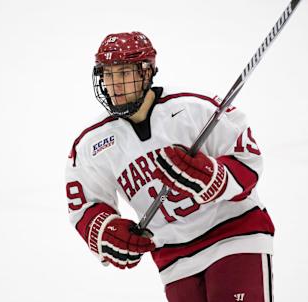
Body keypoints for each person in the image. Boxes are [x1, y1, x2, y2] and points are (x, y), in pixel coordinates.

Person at [65, 31, 275, 302]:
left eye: (123, 73)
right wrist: (107, 232)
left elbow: (249, 161)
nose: (114, 84)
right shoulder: (92, 144)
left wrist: (214, 176)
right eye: (107, 74)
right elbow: (84, 205)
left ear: (146, 73)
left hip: (233, 237)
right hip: (174, 260)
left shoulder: (194, 109)